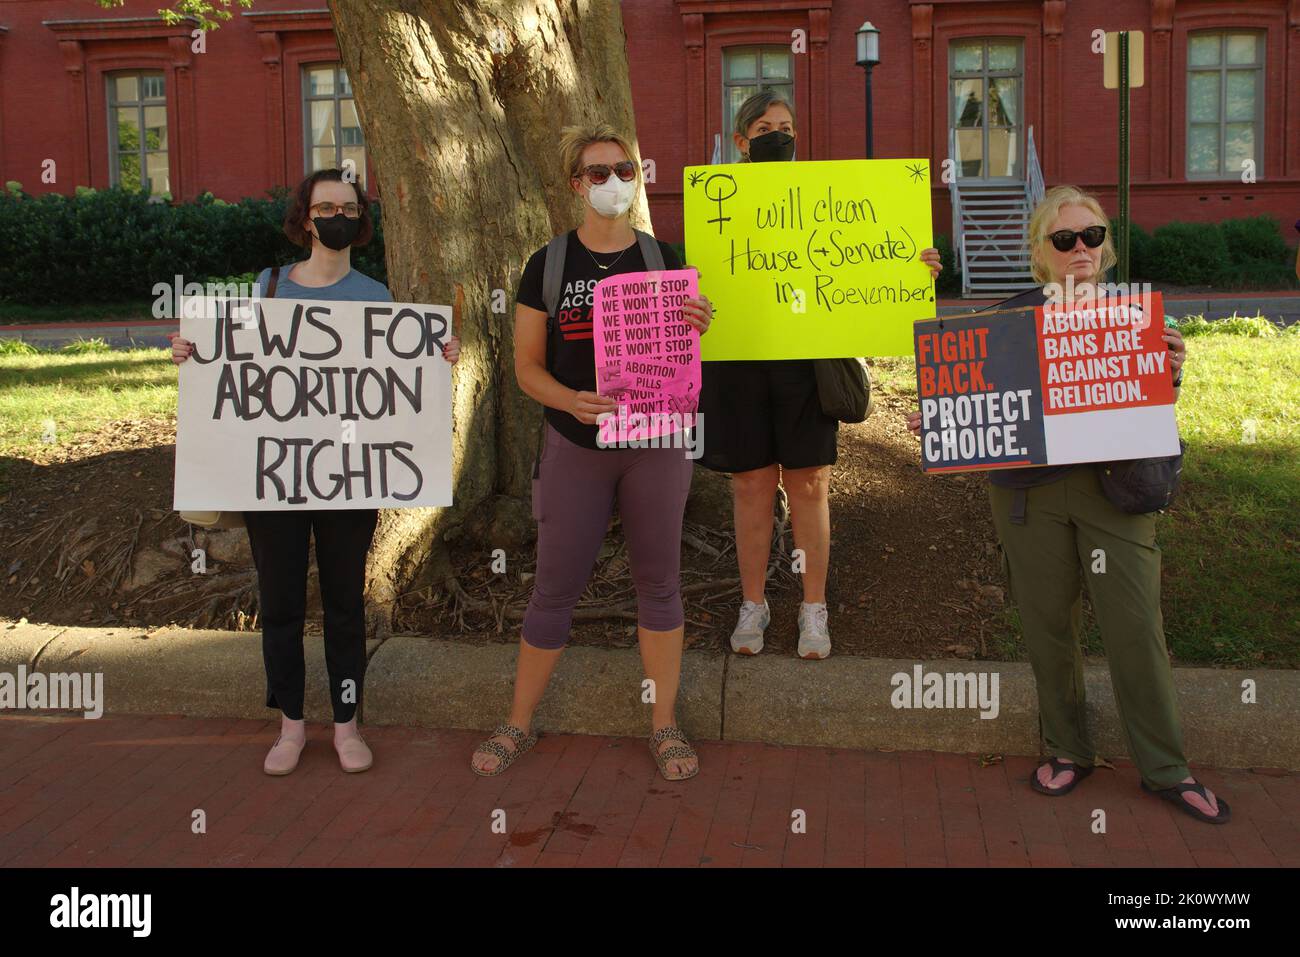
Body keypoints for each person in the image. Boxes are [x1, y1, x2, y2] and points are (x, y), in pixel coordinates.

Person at [906, 185, 1229, 824]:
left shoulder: (1136, 315)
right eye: (1063, 239)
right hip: (1031, 493)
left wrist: (1173, 371)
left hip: (1116, 490)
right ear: (1041, 252)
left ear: (1106, 246)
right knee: (1048, 626)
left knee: (1136, 627)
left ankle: (1166, 766)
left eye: (1091, 236)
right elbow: (968, 385)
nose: (1079, 248)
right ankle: (1066, 749)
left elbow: (1151, 408)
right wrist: (946, 418)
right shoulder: (1007, 319)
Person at [170, 168, 461, 776]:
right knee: (279, 602)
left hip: (348, 478)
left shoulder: (376, 299)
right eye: (324, 206)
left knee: (343, 604)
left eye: (348, 207)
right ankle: (292, 725)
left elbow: (391, 385)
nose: (336, 216)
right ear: (305, 219)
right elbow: (240, 367)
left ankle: (348, 724)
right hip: (276, 479)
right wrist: (192, 352)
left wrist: (435, 359)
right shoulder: (268, 288)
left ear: (361, 220)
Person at [470, 125, 713, 781]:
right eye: (598, 171)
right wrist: (569, 399)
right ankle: (518, 721)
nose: (614, 182)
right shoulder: (547, 264)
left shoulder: (667, 258)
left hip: (657, 443)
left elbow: (688, 357)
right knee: (555, 587)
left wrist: (700, 325)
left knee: (660, 583)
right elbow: (524, 367)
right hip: (576, 444)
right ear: (576, 183)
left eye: (625, 169)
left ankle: (663, 725)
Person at [697, 89, 942, 660]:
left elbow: (874, 257)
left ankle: (813, 607)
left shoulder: (829, 199)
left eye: (785, 126)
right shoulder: (716, 203)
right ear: (741, 141)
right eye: (762, 127)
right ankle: (752, 603)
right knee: (750, 484)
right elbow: (705, 283)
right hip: (739, 363)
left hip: (808, 364)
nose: (776, 135)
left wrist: (916, 266)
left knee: (809, 484)